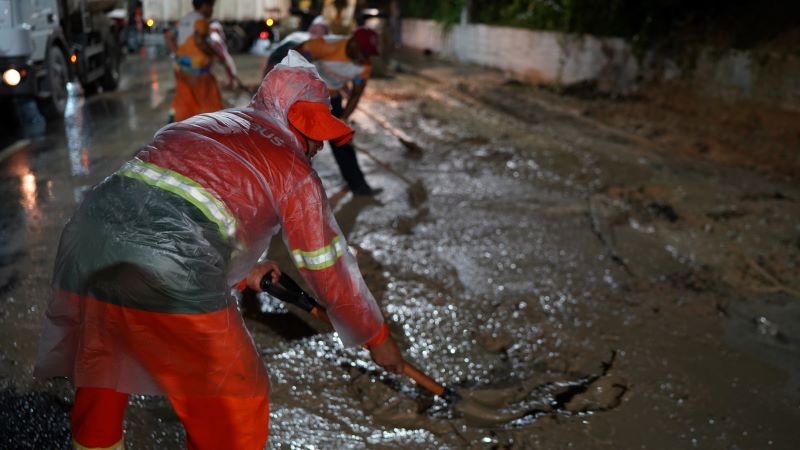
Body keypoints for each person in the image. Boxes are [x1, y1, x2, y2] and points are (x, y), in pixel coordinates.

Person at [33, 51, 404, 450]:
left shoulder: (207, 122)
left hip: (86, 245)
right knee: (237, 402)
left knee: (103, 371)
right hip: (166, 271)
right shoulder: (295, 172)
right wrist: (376, 336)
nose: (318, 147)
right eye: (315, 133)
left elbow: (170, 209)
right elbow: (328, 267)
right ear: (296, 122)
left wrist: (245, 268)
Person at [296, 26, 382, 196]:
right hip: (306, 97)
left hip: (332, 99)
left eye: (369, 54)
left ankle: (359, 186)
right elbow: (295, 53)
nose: (366, 57)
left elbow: (356, 94)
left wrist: (344, 118)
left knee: (343, 142)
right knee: (303, 145)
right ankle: (302, 191)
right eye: (364, 51)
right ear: (354, 43)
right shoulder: (327, 45)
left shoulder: (364, 67)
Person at [164, 0, 224, 122]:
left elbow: (168, 36)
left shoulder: (185, 19)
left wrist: (178, 54)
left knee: (185, 103)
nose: (212, 10)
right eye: (211, 6)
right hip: (198, 71)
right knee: (211, 103)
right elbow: (199, 41)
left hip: (180, 68)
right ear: (204, 5)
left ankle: (179, 130)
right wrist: (216, 54)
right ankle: (217, 130)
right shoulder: (200, 20)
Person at [208, 21, 244, 90]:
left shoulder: (212, 35)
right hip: (221, 55)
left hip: (216, 56)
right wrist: (221, 57)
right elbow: (218, 47)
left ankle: (231, 84)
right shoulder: (214, 36)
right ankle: (232, 84)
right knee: (230, 69)